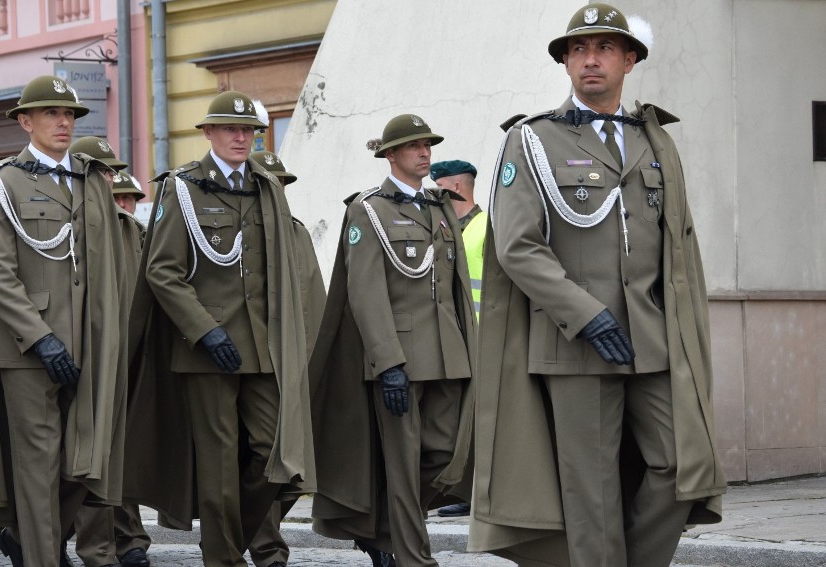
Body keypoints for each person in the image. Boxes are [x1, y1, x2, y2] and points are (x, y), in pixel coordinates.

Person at [467, 4, 726, 566]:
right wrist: (586, 313)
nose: (591, 60)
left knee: (682, 466)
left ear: (629, 61)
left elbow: (677, 245)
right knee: (592, 493)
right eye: (579, 51)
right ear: (565, 64)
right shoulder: (533, 140)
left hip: (651, 339)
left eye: (605, 49)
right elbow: (517, 245)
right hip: (575, 343)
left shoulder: (654, 141)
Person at [125, 91, 314, 567]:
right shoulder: (182, 188)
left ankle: (228, 537)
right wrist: (205, 331)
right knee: (218, 465)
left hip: (262, 347)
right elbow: (162, 271)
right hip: (205, 350)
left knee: (277, 455)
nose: (240, 137)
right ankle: (222, 559)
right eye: (230, 128)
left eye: (248, 130)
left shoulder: (267, 186)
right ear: (207, 133)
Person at [309, 114, 476, 567]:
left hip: (448, 354)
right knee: (402, 467)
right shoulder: (369, 209)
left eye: (427, 145)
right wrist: (388, 363)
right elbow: (364, 292)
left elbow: (455, 285)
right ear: (390, 154)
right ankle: (413, 558)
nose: (424, 153)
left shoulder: (441, 205)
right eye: (413, 146)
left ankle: (381, 523)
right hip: (400, 358)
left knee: (447, 453)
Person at [0, 75, 128, 567]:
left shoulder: (91, 178)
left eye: (69, 116)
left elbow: (107, 265)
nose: (63, 123)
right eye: (50, 114)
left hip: (90, 341)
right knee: (39, 468)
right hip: (28, 350)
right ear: (25, 122)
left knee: (84, 466)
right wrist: (41, 339)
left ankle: (24, 535)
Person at [66, 136, 150, 567]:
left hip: (126, 351)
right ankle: (97, 547)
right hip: (77, 353)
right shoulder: (72, 223)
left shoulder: (132, 232)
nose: (115, 190)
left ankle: (128, 535)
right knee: (87, 453)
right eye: (103, 176)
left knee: (118, 449)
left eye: (115, 179)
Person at [246, 151, 325, 567]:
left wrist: (317, 364)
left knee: (298, 473)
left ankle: (252, 535)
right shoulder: (249, 232)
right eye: (270, 183)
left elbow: (314, 299)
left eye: (283, 184)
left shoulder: (296, 232)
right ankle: (266, 548)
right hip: (258, 365)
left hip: (299, 367)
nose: (279, 191)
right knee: (267, 460)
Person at [429, 159, 486, 520]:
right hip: (454, 339)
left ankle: (480, 492)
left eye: (439, 193)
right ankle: (463, 489)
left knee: (482, 418)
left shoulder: (485, 227)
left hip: (484, 338)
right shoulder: (449, 229)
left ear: (457, 189)